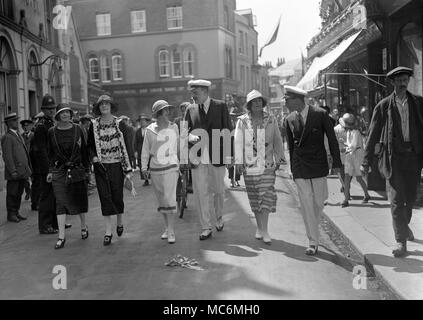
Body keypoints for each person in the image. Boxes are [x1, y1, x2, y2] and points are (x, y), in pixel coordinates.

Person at [361, 66, 423, 257]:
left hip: (414, 158)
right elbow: (372, 134)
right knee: (396, 201)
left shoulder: (419, 103)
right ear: (393, 82)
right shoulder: (383, 106)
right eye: (400, 81)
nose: (403, 83)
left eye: (406, 80)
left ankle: (404, 227)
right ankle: (401, 242)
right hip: (393, 159)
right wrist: (365, 160)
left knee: (411, 199)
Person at [283, 86, 341, 255]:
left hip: (317, 164)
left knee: (319, 201)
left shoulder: (320, 114)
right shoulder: (289, 119)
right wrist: (292, 168)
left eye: (287, 100)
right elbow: (291, 147)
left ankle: (312, 228)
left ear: (297, 99)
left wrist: (337, 163)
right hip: (300, 166)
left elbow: (332, 139)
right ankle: (313, 241)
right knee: (307, 203)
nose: (286, 103)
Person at [234, 90, 286, 244]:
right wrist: (238, 161)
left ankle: (265, 230)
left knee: (266, 195)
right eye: (254, 101)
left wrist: (280, 159)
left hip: (267, 164)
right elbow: (238, 141)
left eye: (259, 101)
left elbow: (277, 138)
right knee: (255, 197)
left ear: (263, 103)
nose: (257, 103)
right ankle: (259, 228)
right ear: (249, 105)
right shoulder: (242, 121)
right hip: (250, 165)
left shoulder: (271, 119)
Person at [184, 79, 233, 240]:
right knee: (200, 193)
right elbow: (184, 132)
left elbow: (227, 130)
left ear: (205, 91)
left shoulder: (220, 106)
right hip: (198, 158)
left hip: (217, 156)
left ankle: (219, 217)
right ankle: (206, 227)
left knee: (219, 191)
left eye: (195, 92)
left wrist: (229, 156)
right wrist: (190, 137)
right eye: (192, 93)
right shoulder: (190, 109)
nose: (193, 96)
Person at [87, 94, 134, 246]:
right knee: (105, 197)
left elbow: (127, 146)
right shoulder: (93, 125)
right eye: (101, 105)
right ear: (98, 108)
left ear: (111, 106)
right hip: (101, 166)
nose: (104, 106)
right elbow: (89, 146)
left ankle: (119, 220)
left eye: (107, 104)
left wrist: (129, 168)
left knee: (117, 195)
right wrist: (93, 157)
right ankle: (108, 231)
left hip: (117, 165)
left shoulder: (120, 124)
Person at [47, 104, 90, 249]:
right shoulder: (51, 132)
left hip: (77, 169)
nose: (65, 115)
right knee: (60, 203)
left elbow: (84, 150)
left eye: (67, 112)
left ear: (70, 115)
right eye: (62, 112)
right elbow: (49, 153)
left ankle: (83, 227)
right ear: (58, 115)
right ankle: (61, 236)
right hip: (59, 171)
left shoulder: (78, 129)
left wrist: (87, 169)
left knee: (79, 200)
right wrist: (49, 171)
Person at [141, 100, 179, 244]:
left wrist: (182, 162)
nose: (167, 112)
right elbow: (145, 150)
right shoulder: (149, 130)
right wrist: (144, 167)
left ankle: (171, 230)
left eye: (168, 109)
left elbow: (179, 146)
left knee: (169, 199)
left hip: (171, 166)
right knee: (162, 200)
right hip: (155, 167)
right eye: (164, 110)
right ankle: (167, 227)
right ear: (158, 113)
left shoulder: (174, 127)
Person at [33, 95, 60, 234]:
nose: (51, 110)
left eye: (53, 108)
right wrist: (48, 169)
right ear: (43, 109)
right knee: (46, 196)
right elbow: (41, 150)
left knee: (55, 195)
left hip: (54, 165)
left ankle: (55, 223)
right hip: (46, 167)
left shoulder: (52, 123)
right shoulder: (41, 126)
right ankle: (44, 225)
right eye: (48, 109)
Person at [1, 113, 32, 223]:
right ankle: (11, 214)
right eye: (14, 121)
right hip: (14, 172)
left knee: (19, 193)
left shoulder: (18, 135)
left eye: (16, 120)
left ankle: (16, 212)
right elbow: (7, 156)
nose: (16, 122)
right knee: (12, 193)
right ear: (8, 123)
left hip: (22, 171)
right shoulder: (7, 137)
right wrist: (12, 170)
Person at [336, 113, 370, 207]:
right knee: (347, 177)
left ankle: (366, 195)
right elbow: (351, 145)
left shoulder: (356, 132)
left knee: (358, 178)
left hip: (356, 157)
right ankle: (346, 199)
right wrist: (345, 145)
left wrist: (345, 146)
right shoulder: (350, 132)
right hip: (350, 156)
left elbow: (353, 146)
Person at [135, 113, 151, 185]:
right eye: (140, 121)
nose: (142, 122)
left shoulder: (150, 130)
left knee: (150, 163)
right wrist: (135, 151)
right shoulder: (137, 131)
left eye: (143, 120)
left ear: (146, 121)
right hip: (140, 150)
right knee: (142, 165)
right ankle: (145, 179)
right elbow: (135, 141)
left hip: (149, 149)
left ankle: (153, 178)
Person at [228, 105, 243, 188]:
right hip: (229, 146)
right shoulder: (227, 124)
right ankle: (231, 180)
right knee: (229, 164)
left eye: (235, 116)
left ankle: (237, 180)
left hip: (238, 145)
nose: (234, 117)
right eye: (232, 116)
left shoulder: (240, 124)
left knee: (238, 163)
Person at [20, 119, 33, 201]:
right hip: (24, 160)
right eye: (24, 126)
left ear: (30, 126)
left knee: (33, 178)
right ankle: (28, 191)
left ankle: (33, 192)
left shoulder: (34, 135)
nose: (25, 127)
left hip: (33, 160)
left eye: (27, 126)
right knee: (25, 179)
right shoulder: (20, 137)